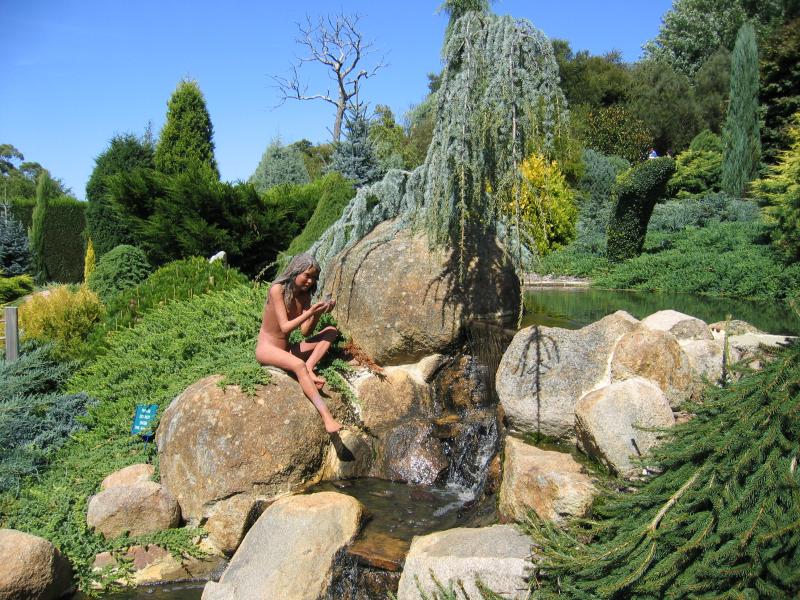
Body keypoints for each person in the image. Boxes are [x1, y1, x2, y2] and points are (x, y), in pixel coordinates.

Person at [255, 253, 342, 433]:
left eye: (314, 278)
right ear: (296, 271)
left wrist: (317, 313)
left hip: (286, 350)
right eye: (307, 275)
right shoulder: (277, 290)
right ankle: (327, 418)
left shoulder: (304, 296)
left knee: (331, 332)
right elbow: (286, 327)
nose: (310, 281)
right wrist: (310, 312)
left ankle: (310, 367)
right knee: (298, 365)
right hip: (267, 349)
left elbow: (305, 331)